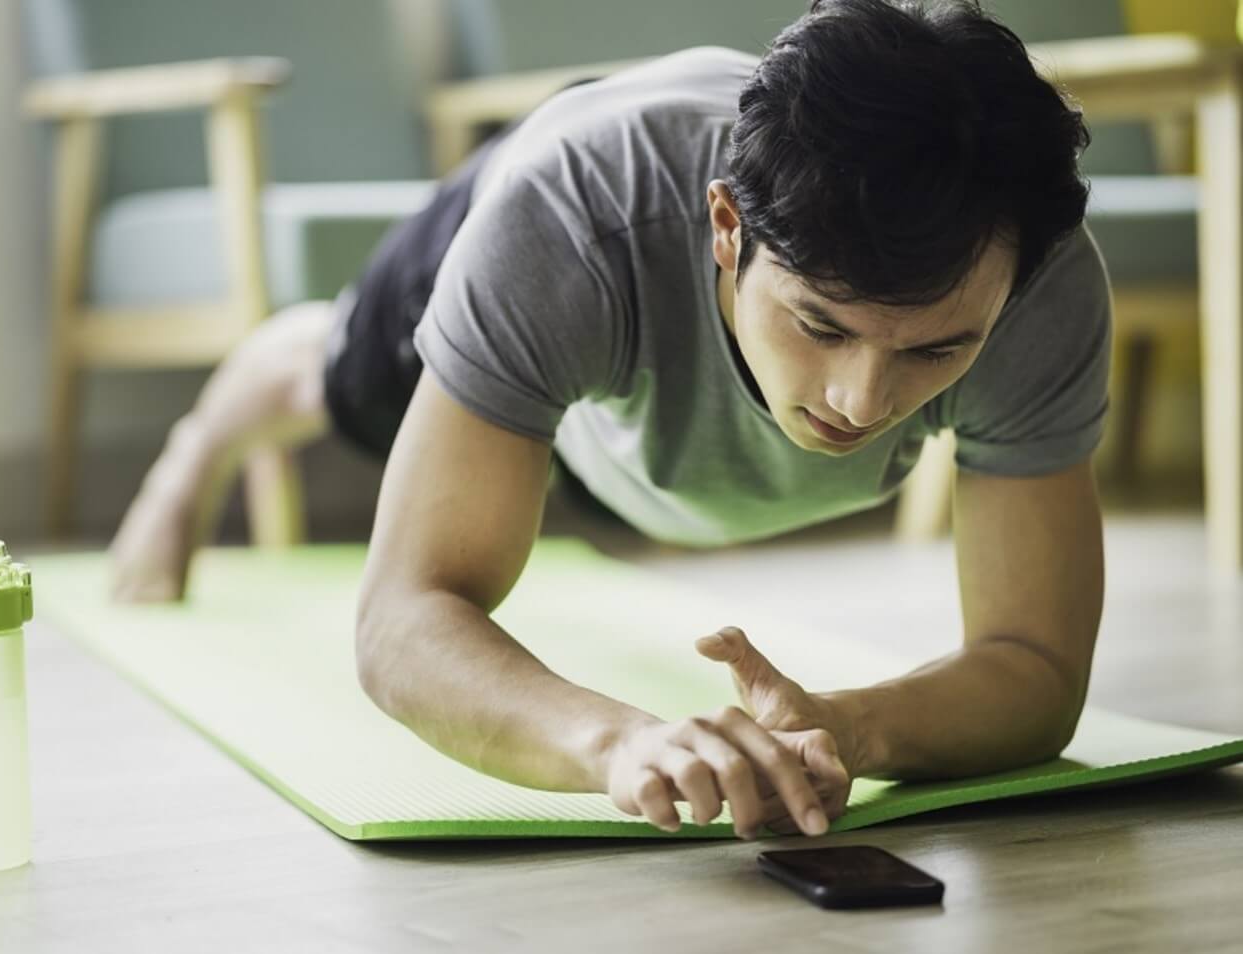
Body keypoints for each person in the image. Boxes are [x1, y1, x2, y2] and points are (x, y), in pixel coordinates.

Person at [110, 0, 1108, 841]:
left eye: (936, 350)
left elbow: (1038, 667)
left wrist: (848, 726)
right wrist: (619, 744)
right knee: (331, 385)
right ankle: (196, 448)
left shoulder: (1038, 282)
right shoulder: (564, 224)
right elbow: (402, 620)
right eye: (820, 325)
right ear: (729, 229)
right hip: (573, 253)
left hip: (633, 420)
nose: (862, 404)